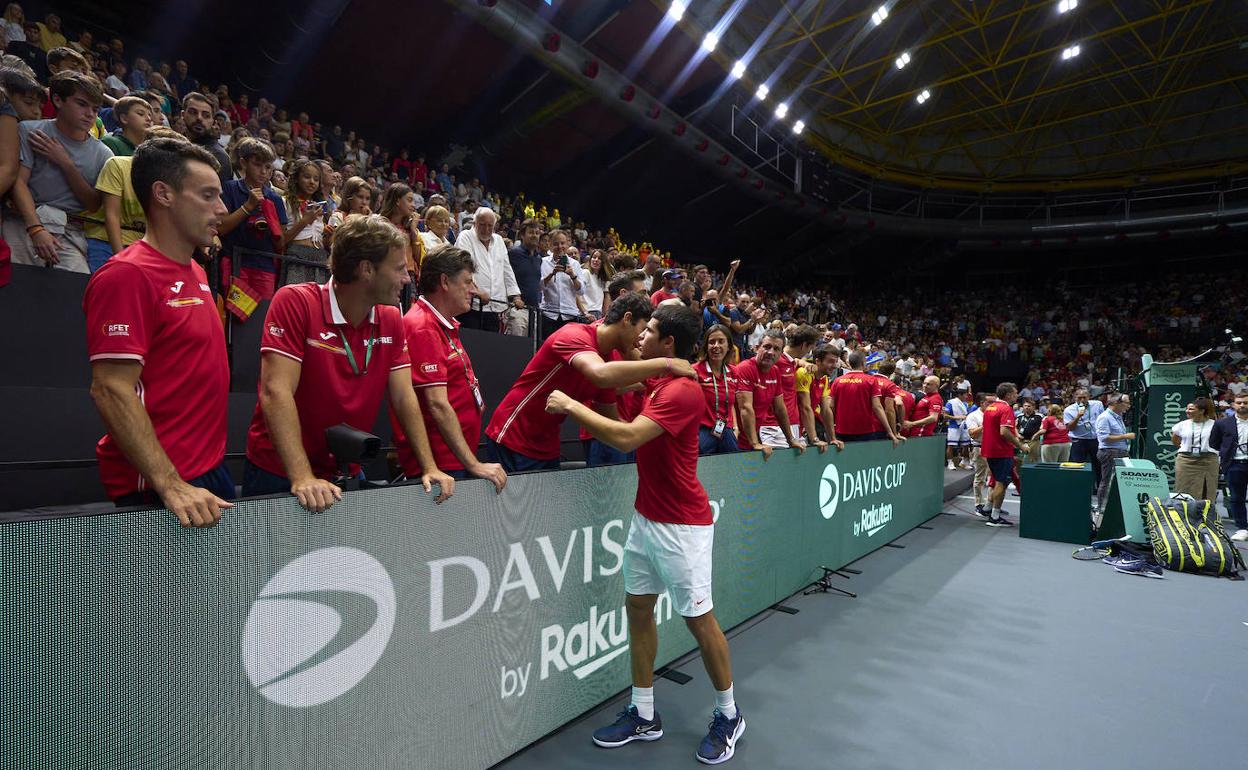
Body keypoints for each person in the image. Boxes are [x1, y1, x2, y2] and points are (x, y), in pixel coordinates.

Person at [545, 304, 747, 765]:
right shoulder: (663, 377)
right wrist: (648, 365)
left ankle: (729, 713)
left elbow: (626, 438)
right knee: (638, 609)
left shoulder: (681, 392)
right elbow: (612, 375)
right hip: (646, 519)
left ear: (670, 342)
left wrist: (571, 404)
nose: (641, 335)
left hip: (682, 526)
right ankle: (644, 712)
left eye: (651, 330)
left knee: (700, 621)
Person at [243, 215, 455, 510]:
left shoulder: (391, 317)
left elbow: (404, 397)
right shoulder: (295, 301)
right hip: (280, 472)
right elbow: (275, 392)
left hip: (347, 469)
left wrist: (428, 466)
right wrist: (303, 477)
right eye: (398, 268)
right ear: (367, 269)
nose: (407, 277)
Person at [83, 136, 232, 525]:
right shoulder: (127, 275)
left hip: (207, 472)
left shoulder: (196, 270)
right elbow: (110, 388)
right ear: (163, 194)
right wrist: (169, 483)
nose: (222, 208)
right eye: (208, 195)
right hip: (162, 487)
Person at [484, 292, 694, 472]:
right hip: (513, 437)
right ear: (627, 319)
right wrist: (666, 363)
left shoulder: (610, 363)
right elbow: (600, 374)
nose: (640, 339)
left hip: (547, 446)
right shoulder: (574, 334)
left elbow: (612, 422)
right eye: (642, 329)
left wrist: (648, 437)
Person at [393, 245, 507, 490]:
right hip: (442, 466)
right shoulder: (423, 326)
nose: (473, 291)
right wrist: (474, 464)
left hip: (453, 460)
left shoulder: (441, 324)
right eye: (467, 282)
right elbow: (436, 404)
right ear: (445, 281)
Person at [6, 71, 112, 274]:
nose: (90, 114)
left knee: (74, 290)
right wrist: (36, 229)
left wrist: (65, 163)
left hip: (69, 231)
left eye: (96, 109)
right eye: (82, 104)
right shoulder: (30, 131)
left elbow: (92, 204)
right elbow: (19, 183)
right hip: (23, 220)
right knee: (16, 287)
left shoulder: (103, 153)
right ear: (57, 99)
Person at [215, 137, 287, 298]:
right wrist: (248, 206)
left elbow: (281, 243)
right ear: (243, 163)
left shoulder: (275, 199)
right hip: (235, 262)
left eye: (268, 167)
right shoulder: (229, 188)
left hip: (264, 266)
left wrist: (271, 222)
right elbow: (221, 228)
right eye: (257, 164)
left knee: (259, 318)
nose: (263, 171)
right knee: (236, 317)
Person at [734, 330, 804, 456]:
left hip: (751, 439)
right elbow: (745, 408)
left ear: (780, 354)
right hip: (735, 441)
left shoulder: (775, 371)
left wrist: (791, 439)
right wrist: (755, 443)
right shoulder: (745, 368)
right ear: (757, 348)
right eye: (767, 347)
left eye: (776, 349)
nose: (771, 352)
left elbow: (780, 408)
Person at [455, 206, 521, 331]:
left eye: (490, 226)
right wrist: (476, 291)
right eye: (482, 224)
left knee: (490, 347)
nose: (486, 229)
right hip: (471, 305)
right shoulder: (465, 236)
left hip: (495, 306)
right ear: (475, 223)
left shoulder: (499, 240)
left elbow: (506, 269)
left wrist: (515, 295)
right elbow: (464, 268)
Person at [980, 383, 1027, 527]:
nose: (1017, 395)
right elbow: (1004, 432)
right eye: (1015, 393)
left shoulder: (990, 407)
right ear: (1007, 395)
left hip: (990, 450)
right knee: (1002, 482)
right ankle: (994, 517)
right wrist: (1020, 446)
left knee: (995, 480)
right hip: (1001, 451)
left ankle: (988, 507)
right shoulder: (1006, 408)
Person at [829, 350, 899, 445]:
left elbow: (831, 406)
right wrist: (890, 431)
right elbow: (877, 407)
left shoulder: (837, 381)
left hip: (841, 431)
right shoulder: (871, 380)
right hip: (866, 431)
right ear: (863, 363)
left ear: (849, 362)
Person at [694, 324, 741, 455]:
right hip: (703, 430)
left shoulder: (733, 372)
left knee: (733, 466)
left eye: (721, 341)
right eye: (711, 342)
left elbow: (730, 404)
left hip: (726, 430)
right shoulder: (695, 371)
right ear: (706, 346)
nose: (716, 346)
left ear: (728, 346)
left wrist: (735, 427)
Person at [1208, 392, 1248, 541]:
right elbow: (1214, 443)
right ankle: (1242, 528)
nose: (1242, 405)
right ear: (1233, 405)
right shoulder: (1222, 423)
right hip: (1234, 464)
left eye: (1245, 402)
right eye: (1239, 402)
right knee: (1237, 497)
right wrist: (1227, 451)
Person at [538, 228, 586, 342]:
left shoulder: (575, 264)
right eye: (556, 244)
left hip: (570, 315)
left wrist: (572, 276)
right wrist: (551, 274)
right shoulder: (543, 262)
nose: (560, 247)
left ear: (568, 243)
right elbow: (538, 287)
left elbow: (581, 291)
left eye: (563, 243)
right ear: (550, 245)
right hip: (549, 314)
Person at [1093, 393, 1135, 514]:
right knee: (1106, 481)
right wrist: (1125, 436)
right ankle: (1102, 508)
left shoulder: (1118, 416)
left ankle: (1115, 507)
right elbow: (1104, 437)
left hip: (1120, 452)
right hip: (1109, 452)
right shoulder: (1104, 417)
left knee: (1121, 481)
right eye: (1126, 403)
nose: (1128, 405)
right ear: (1116, 403)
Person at [1170, 397, 1219, 501]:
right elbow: (1175, 439)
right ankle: (1183, 514)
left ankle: (1205, 514)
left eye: (1191, 409)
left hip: (1208, 461)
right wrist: (1185, 448)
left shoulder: (1215, 425)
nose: (1187, 411)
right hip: (1186, 461)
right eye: (1187, 409)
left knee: (1207, 489)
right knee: (1183, 489)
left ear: (1202, 411)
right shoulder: (1182, 425)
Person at [178, 92, 232, 184]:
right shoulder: (175, 145)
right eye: (193, 112)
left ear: (212, 122)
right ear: (183, 115)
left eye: (206, 115)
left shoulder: (219, 156)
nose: (199, 118)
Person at [1064, 388, 1106, 494]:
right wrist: (1078, 416)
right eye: (1079, 397)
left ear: (1089, 397)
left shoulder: (1098, 404)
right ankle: (1077, 489)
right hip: (1079, 441)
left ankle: (1100, 489)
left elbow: (1103, 419)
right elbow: (1070, 428)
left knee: (1099, 465)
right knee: (1077, 466)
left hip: (1095, 440)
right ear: (1075, 398)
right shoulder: (1069, 410)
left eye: (1084, 397)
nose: (1082, 399)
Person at [505, 217, 542, 336]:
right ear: (522, 235)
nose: (535, 236)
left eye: (537, 233)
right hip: (517, 310)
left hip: (534, 311)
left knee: (531, 351)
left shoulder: (538, 258)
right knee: (515, 348)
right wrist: (514, 298)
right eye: (531, 232)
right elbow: (505, 277)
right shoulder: (513, 254)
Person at [965, 393, 990, 515]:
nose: (991, 406)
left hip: (994, 448)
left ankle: (991, 504)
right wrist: (985, 426)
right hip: (979, 447)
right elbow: (972, 434)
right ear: (982, 403)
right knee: (980, 477)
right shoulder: (973, 416)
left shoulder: (993, 414)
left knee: (994, 479)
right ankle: (979, 504)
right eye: (989, 403)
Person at [945, 388, 972, 469]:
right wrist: (956, 417)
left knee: (966, 445)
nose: (966, 396)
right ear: (960, 395)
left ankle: (964, 462)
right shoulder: (951, 402)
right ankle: (950, 462)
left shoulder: (966, 404)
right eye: (965, 395)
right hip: (954, 426)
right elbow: (945, 415)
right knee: (951, 445)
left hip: (964, 426)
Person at [1016, 399, 1044, 464]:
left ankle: (1033, 473)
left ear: (1033, 407)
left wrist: (1037, 434)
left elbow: (1043, 427)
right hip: (1021, 440)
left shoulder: (1039, 416)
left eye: (1029, 406)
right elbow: (1015, 427)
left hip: (1033, 441)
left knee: (1033, 459)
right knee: (1019, 459)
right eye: (1025, 406)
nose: (1026, 407)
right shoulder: (1019, 416)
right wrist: (1017, 435)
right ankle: (1019, 473)